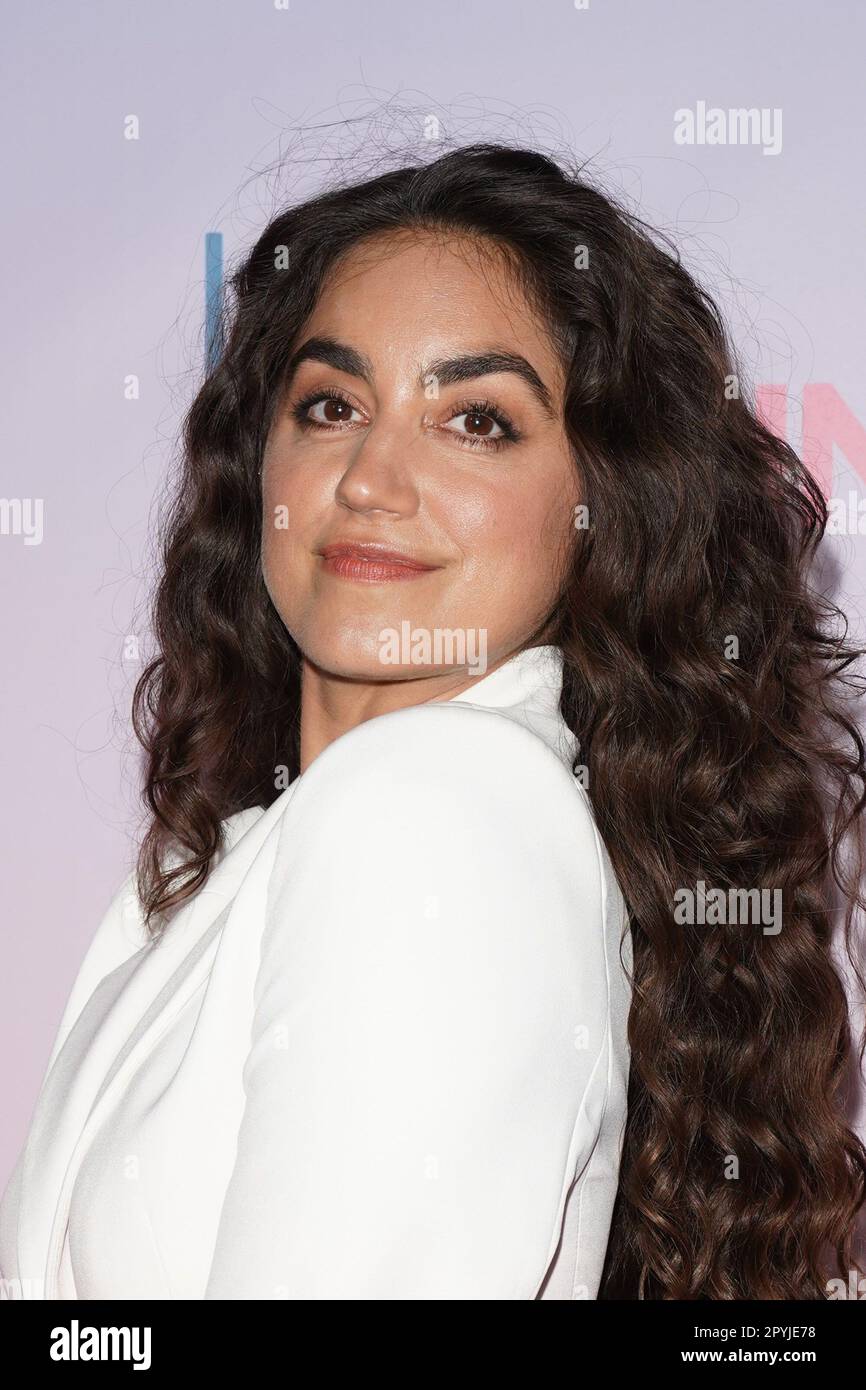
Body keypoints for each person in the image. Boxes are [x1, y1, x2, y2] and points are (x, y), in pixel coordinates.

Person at [2, 142, 864, 1300]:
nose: (369, 475)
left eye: (477, 422)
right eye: (329, 403)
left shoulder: (433, 812)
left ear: (598, 508)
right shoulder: (225, 863)